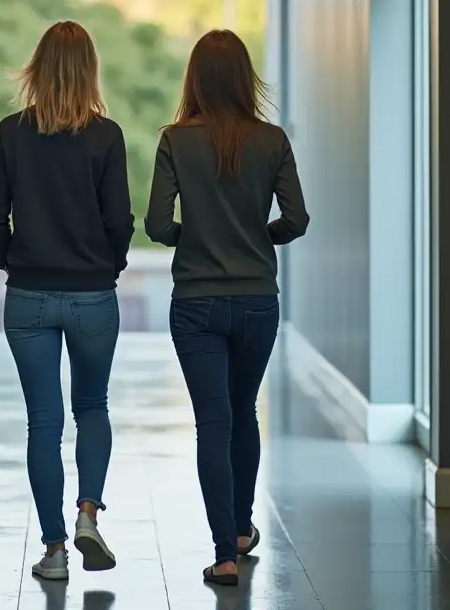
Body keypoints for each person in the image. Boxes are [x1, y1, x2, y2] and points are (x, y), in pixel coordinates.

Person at [144, 29, 309, 587]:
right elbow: (297, 220)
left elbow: (158, 225)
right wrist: (257, 237)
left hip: (196, 302)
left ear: (194, 78)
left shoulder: (175, 140)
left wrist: (196, 237)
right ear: (244, 77)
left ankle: (225, 555)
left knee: (212, 422)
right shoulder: (273, 139)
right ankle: (241, 529)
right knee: (244, 412)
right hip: (258, 300)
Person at [0, 20, 134, 581]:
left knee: (42, 422)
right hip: (92, 294)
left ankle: (53, 551)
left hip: (28, 297)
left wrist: (13, 261)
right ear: (89, 70)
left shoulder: (9, 132)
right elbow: (119, 219)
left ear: (37, 69)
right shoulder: (107, 136)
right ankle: (88, 513)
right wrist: (109, 264)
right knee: (91, 406)